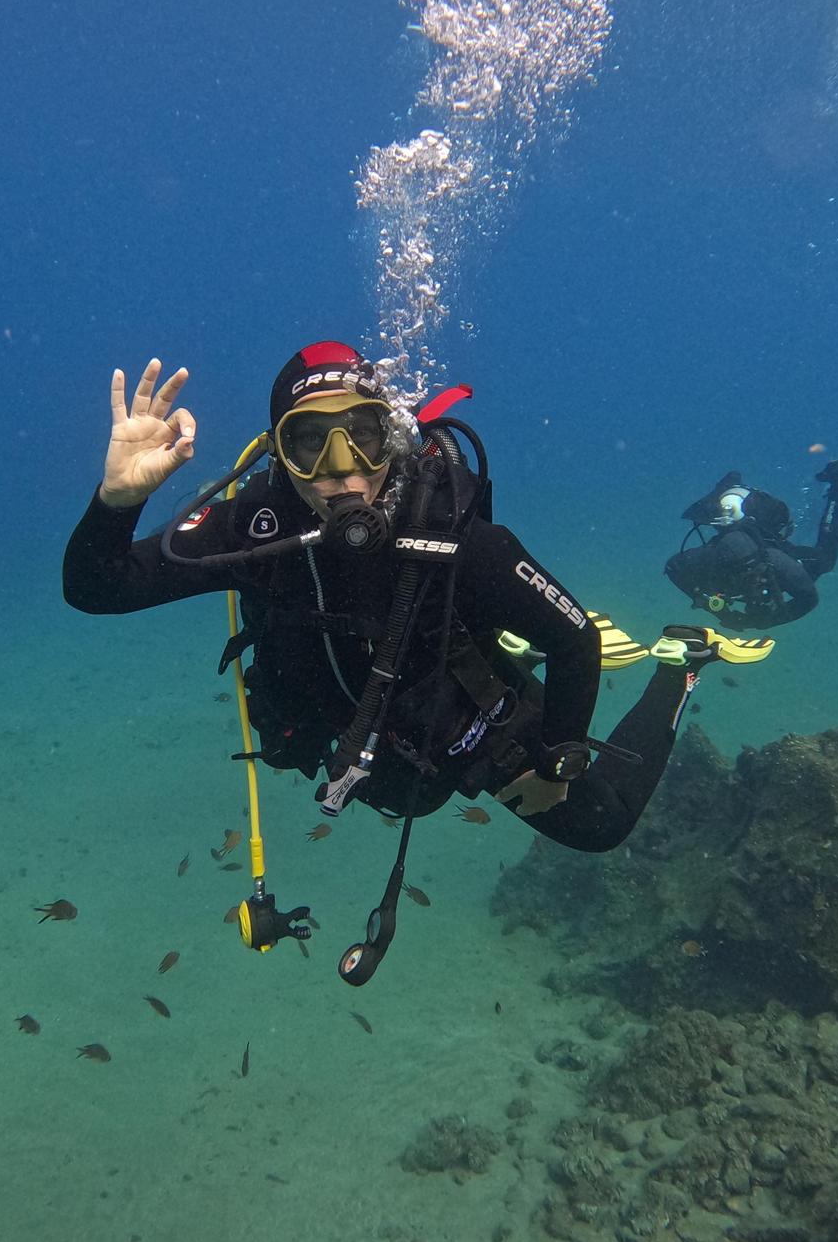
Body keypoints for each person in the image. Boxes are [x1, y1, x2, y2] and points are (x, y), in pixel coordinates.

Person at [63, 344, 769, 981]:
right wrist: (117, 502)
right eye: (309, 442)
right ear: (279, 454)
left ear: (391, 439)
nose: (343, 468)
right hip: (356, 730)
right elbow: (99, 588)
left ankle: (680, 662)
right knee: (406, 794)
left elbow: (576, 638)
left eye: (363, 436)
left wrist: (556, 761)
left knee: (601, 824)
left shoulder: (450, 531)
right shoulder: (254, 528)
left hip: (456, 707)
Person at [663, 458, 838, 630]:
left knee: (824, 560)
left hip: (765, 550)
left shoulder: (772, 560)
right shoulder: (770, 561)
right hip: (762, 552)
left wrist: (733, 616)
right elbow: (808, 598)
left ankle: (837, 486)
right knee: (825, 559)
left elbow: (674, 567)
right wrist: (734, 616)